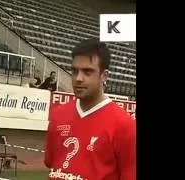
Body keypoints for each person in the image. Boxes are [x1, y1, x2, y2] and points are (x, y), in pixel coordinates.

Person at [44, 38, 136, 180]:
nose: (78, 78)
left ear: (104, 76)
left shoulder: (124, 125)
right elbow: (52, 164)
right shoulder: (58, 115)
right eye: (75, 71)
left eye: (87, 72)